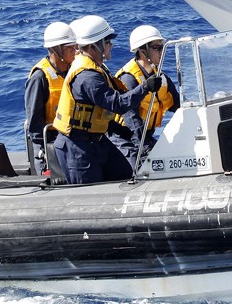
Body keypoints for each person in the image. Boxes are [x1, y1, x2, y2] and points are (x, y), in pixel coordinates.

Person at [51, 15, 159, 184]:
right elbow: (117, 104)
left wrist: (122, 130)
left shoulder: (97, 68)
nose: (111, 45)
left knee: (125, 173)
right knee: (91, 191)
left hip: (96, 140)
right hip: (77, 147)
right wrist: (145, 87)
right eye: (107, 42)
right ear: (94, 46)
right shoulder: (87, 76)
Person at [109, 25, 180, 168]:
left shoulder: (160, 77)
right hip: (125, 139)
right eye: (157, 48)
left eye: (162, 47)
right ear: (143, 51)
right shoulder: (128, 78)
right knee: (139, 170)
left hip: (146, 136)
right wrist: (144, 148)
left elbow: (178, 105)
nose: (162, 52)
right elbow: (132, 118)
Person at [24, 21, 77, 175]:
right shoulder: (39, 77)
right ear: (56, 49)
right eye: (69, 47)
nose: (74, 51)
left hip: (71, 140)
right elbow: (34, 122)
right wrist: (46, 152)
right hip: (50, 144)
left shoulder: (72, 71)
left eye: (75, 46)